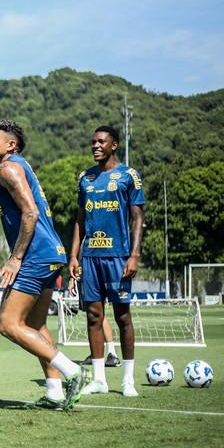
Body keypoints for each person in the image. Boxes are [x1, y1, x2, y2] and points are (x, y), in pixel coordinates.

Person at [0, 120, 89, 411]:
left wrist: (15, 258)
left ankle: (73, 372)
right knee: (36, 324)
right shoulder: (22, 165)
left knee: (8, 324)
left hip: (36, 256)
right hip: (51, 252)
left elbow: (30, 213)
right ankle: (54, 393)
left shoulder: (8, 168)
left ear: (11, 145)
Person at [69, 125, 144, 397]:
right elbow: (79, 221)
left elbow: (137, 218)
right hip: (90, 257)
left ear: (114, 145)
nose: (95, 146)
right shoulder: (85, 178)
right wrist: (73, 256)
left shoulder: (128, 176)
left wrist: (134, 255)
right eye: (93, 142)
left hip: (118, 256)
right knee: (93, 316)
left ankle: (128, 380)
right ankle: (100, 380)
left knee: (122, 316)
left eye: (101, 142)